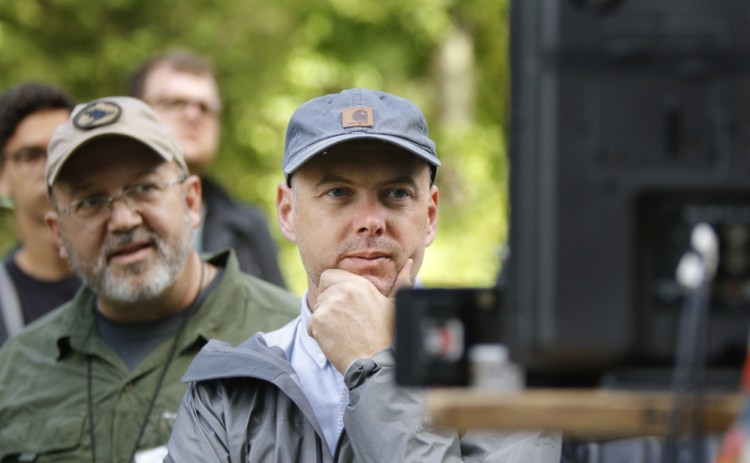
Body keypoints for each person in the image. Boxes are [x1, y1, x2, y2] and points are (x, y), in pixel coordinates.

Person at [166, 88, 562, 461]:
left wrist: (373, 365)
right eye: (338, 193)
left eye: (396, 194)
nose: (370, 222)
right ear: (288, 214)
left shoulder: (507, 376)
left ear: (430, 215)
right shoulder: (225, 389)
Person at [0, 96, 298, 462]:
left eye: (143, 188)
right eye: (90, 202)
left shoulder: (290, 340)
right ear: (59, 232)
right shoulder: (17, 367)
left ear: (191, 201)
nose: (123, 220)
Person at [127, 50, 286, 287]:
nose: (193, 115)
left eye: (205, 108)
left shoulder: (248, 226)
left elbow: (282, 315)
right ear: (135, 115)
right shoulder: (100, 220)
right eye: (174, 103)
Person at [0, 82, 81, 344]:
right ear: (2, 177)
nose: (50, 168)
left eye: (61, 149)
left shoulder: (126, 279)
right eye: (31, 156)